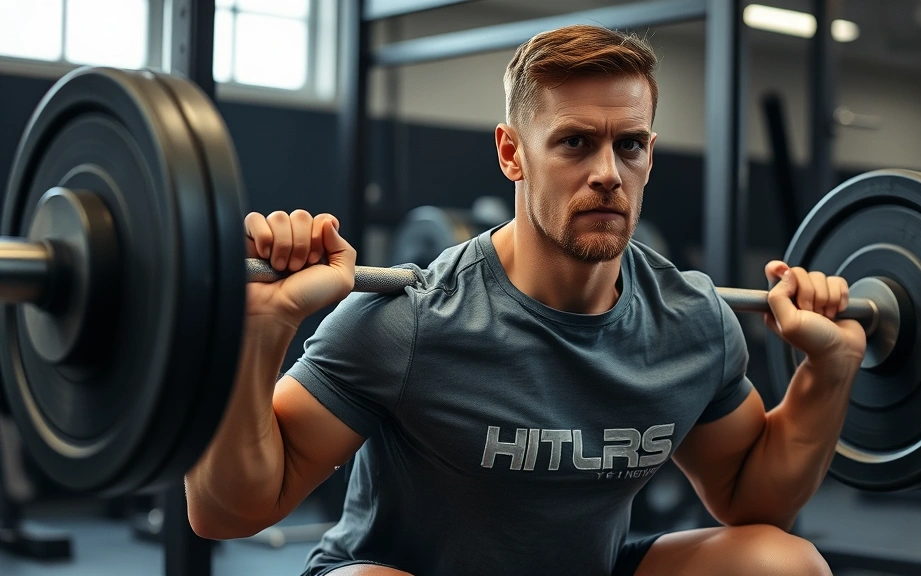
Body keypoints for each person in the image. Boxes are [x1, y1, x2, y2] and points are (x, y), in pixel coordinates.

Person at [185, 24, 865, 576]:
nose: (608, 173)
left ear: (651, 155)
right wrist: (260, 330)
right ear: (513, 153)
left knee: (780, 564)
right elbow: (230, 512)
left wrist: (827, 374)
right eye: (575, 143)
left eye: (629, 145)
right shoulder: (410, 320)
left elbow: (751, 497)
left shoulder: (690, 322)